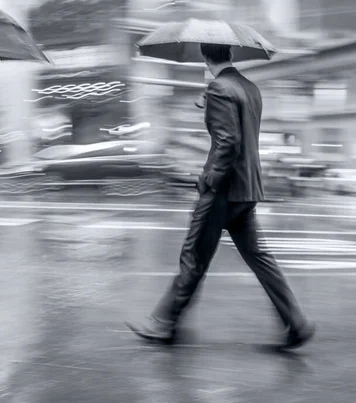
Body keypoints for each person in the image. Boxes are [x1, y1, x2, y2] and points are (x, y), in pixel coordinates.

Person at [126, 43, 315, 349]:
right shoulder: (249, 87)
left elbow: (228, 141)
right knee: (259, 258)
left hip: (223, 190)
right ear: (230, 54)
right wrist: (209, 101)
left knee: (193, 258)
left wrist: (209, 181)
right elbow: (238, 125)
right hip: (247, 188)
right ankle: (297, 323)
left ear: (204, 56)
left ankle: (164, 324)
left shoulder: (219, 88)